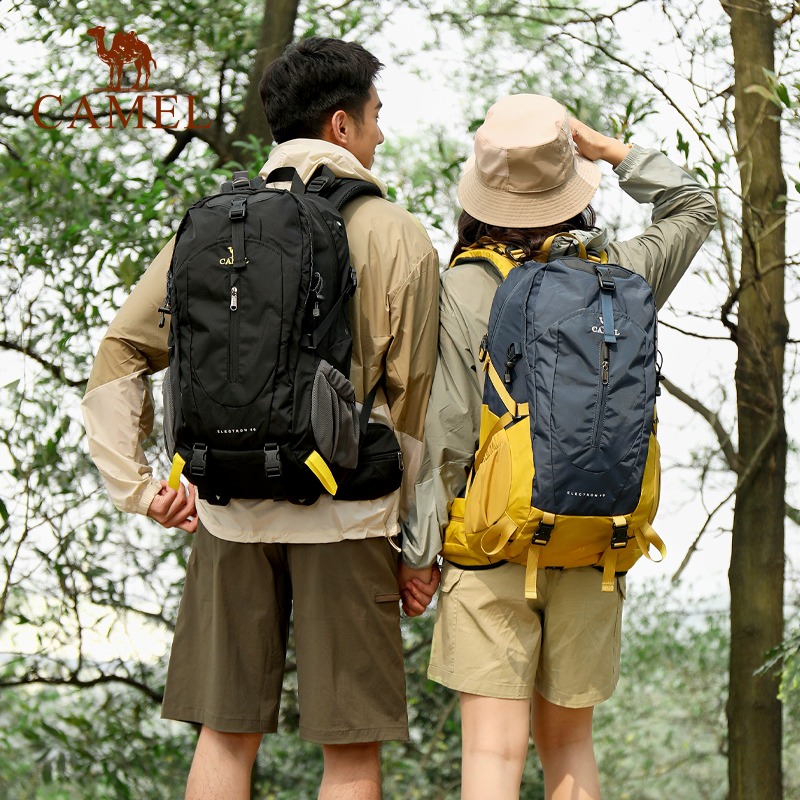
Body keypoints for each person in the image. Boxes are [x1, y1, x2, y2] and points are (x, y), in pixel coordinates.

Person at [82, 37, 441, 800]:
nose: (381, 134)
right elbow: (413, 408)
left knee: (226, 733)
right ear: (341, 125)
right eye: (376, 117)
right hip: (349, 517)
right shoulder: (396, 234)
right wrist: (417, 547)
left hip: (228, 511)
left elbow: (120, 348)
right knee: (348, 751)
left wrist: (139, 487)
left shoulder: (210, 227)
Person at [401, 94, 717, 800]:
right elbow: (695, 207)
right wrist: (608, 150)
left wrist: (419, 554)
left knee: (492, 757)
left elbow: (446, 429)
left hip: (490, 547)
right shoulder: (621, 276)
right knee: (572, 746)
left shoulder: (458, 287)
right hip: (594, 541)